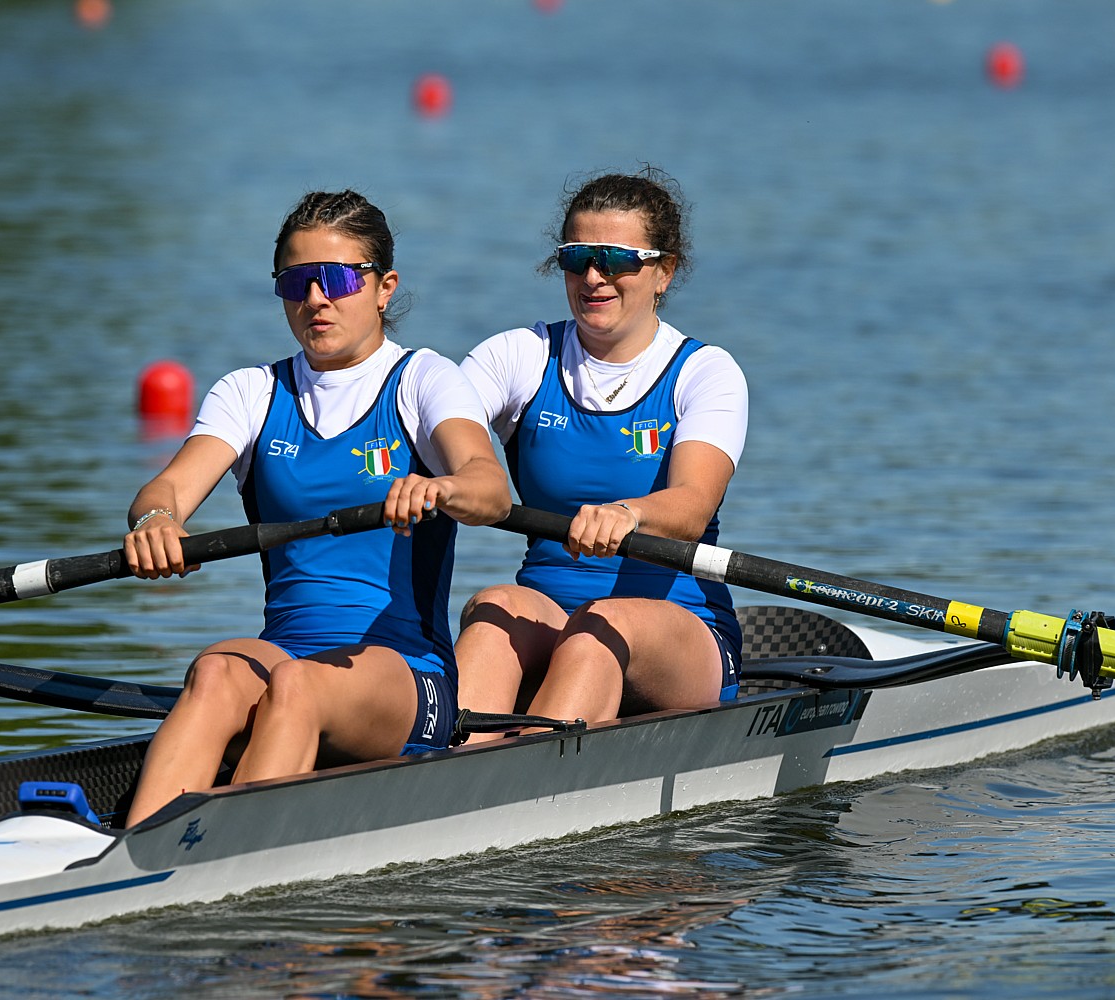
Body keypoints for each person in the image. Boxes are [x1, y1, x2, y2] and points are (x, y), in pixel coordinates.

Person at [122, 190, 510, 824]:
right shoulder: (251, 391)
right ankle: (136, 854)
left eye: (337, 279)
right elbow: (164, 491)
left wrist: (442, 488)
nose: (315, 299)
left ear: (384, 288)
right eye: (295, 282)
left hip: (405, 673)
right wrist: (155, 522)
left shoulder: (423, 379)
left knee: (297, 686)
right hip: (287, 652)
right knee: (216, 670)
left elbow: (490, 488)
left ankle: (222, 852)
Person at [455, 168, 748, 737]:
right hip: (548, 610)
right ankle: (446, 768)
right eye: (577, 258)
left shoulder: (705, 372)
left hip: (682, 630)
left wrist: (628, 513)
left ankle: (528, 773)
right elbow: (437, 434)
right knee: (492, 608)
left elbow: (691, 506)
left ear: (664, 271)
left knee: (598, 627)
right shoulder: (518, 356)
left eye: (616, 260)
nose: (593, 277)